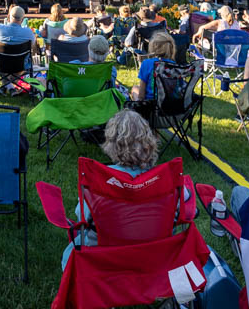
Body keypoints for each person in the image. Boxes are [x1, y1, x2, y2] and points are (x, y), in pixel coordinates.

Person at [59, 110, 163, 269]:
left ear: (111, 143)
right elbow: (185, 208)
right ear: (148, 141)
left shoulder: (99, 181)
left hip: (103, 260)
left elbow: (82, 216)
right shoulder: (164, 180)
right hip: (151, 257)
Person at [130, 31, 177, 101]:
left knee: (135, 88)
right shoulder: (174, 65)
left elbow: (141, 95)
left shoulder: (147, 63)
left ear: (153, 47)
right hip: (169, 105)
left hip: (151, 105)